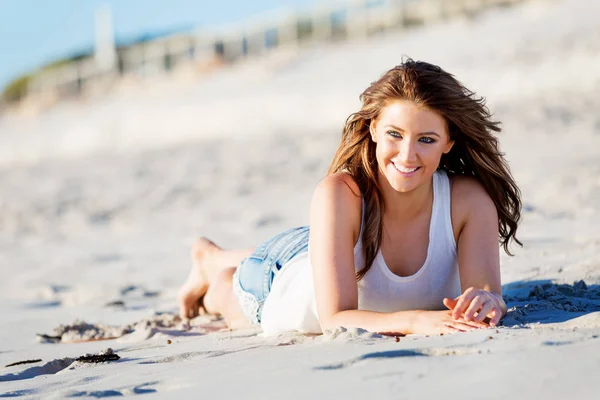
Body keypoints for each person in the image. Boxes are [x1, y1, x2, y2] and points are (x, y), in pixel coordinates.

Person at [178, 58, 522, 336]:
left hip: (334, 241)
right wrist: (417, 321)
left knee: (320, 244)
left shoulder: (468, 201)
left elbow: (489, 295)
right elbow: (334, 319)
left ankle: (214, 256)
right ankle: (211, 262)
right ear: (373, 129)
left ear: (449, 142)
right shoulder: (339, 194)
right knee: (226, 294)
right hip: (278, 277)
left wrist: (487, 300)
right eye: (394, 134)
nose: (407, 155)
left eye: (426, 140)